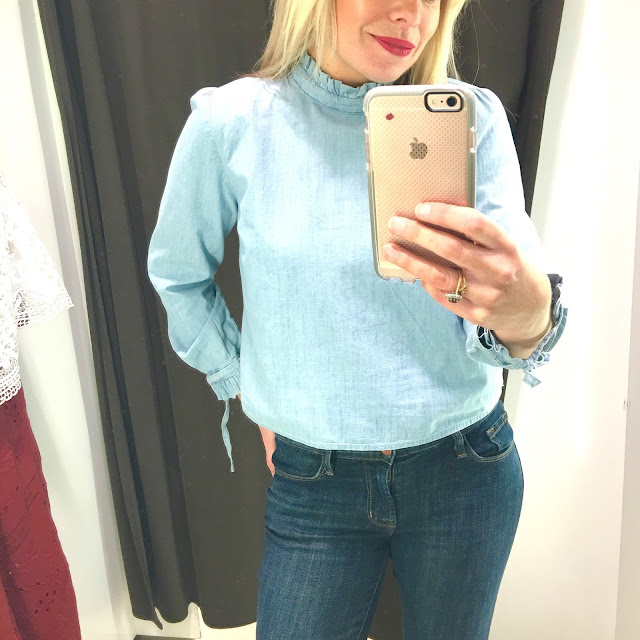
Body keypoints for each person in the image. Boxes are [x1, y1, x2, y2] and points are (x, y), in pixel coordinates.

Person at [147, 0, 568, 638]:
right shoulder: (232, 121)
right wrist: (246, 383)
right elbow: (178, 274)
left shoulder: (472, 121)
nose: (412, 14)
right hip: (315, 483)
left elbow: (505, 331)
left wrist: (528, 313)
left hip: (465, 468)